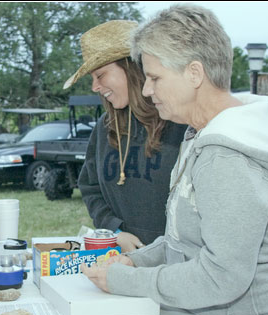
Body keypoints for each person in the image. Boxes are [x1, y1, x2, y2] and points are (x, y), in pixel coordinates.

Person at [81, 4, 268, 315]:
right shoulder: (200, 134)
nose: (147, 90)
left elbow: (220, 276)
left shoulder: (228, 157)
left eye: (154, 77)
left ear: (194, 73)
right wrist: (138, 260)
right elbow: (184, 244)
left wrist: (128, 279)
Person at [63, 20, 186, 252]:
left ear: (132, 69)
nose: (95, 87)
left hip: (177, 264)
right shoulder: (104, 127)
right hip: (122, 260)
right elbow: (89, 187)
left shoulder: (181, 123)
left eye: (100, 75)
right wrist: (114, 231)